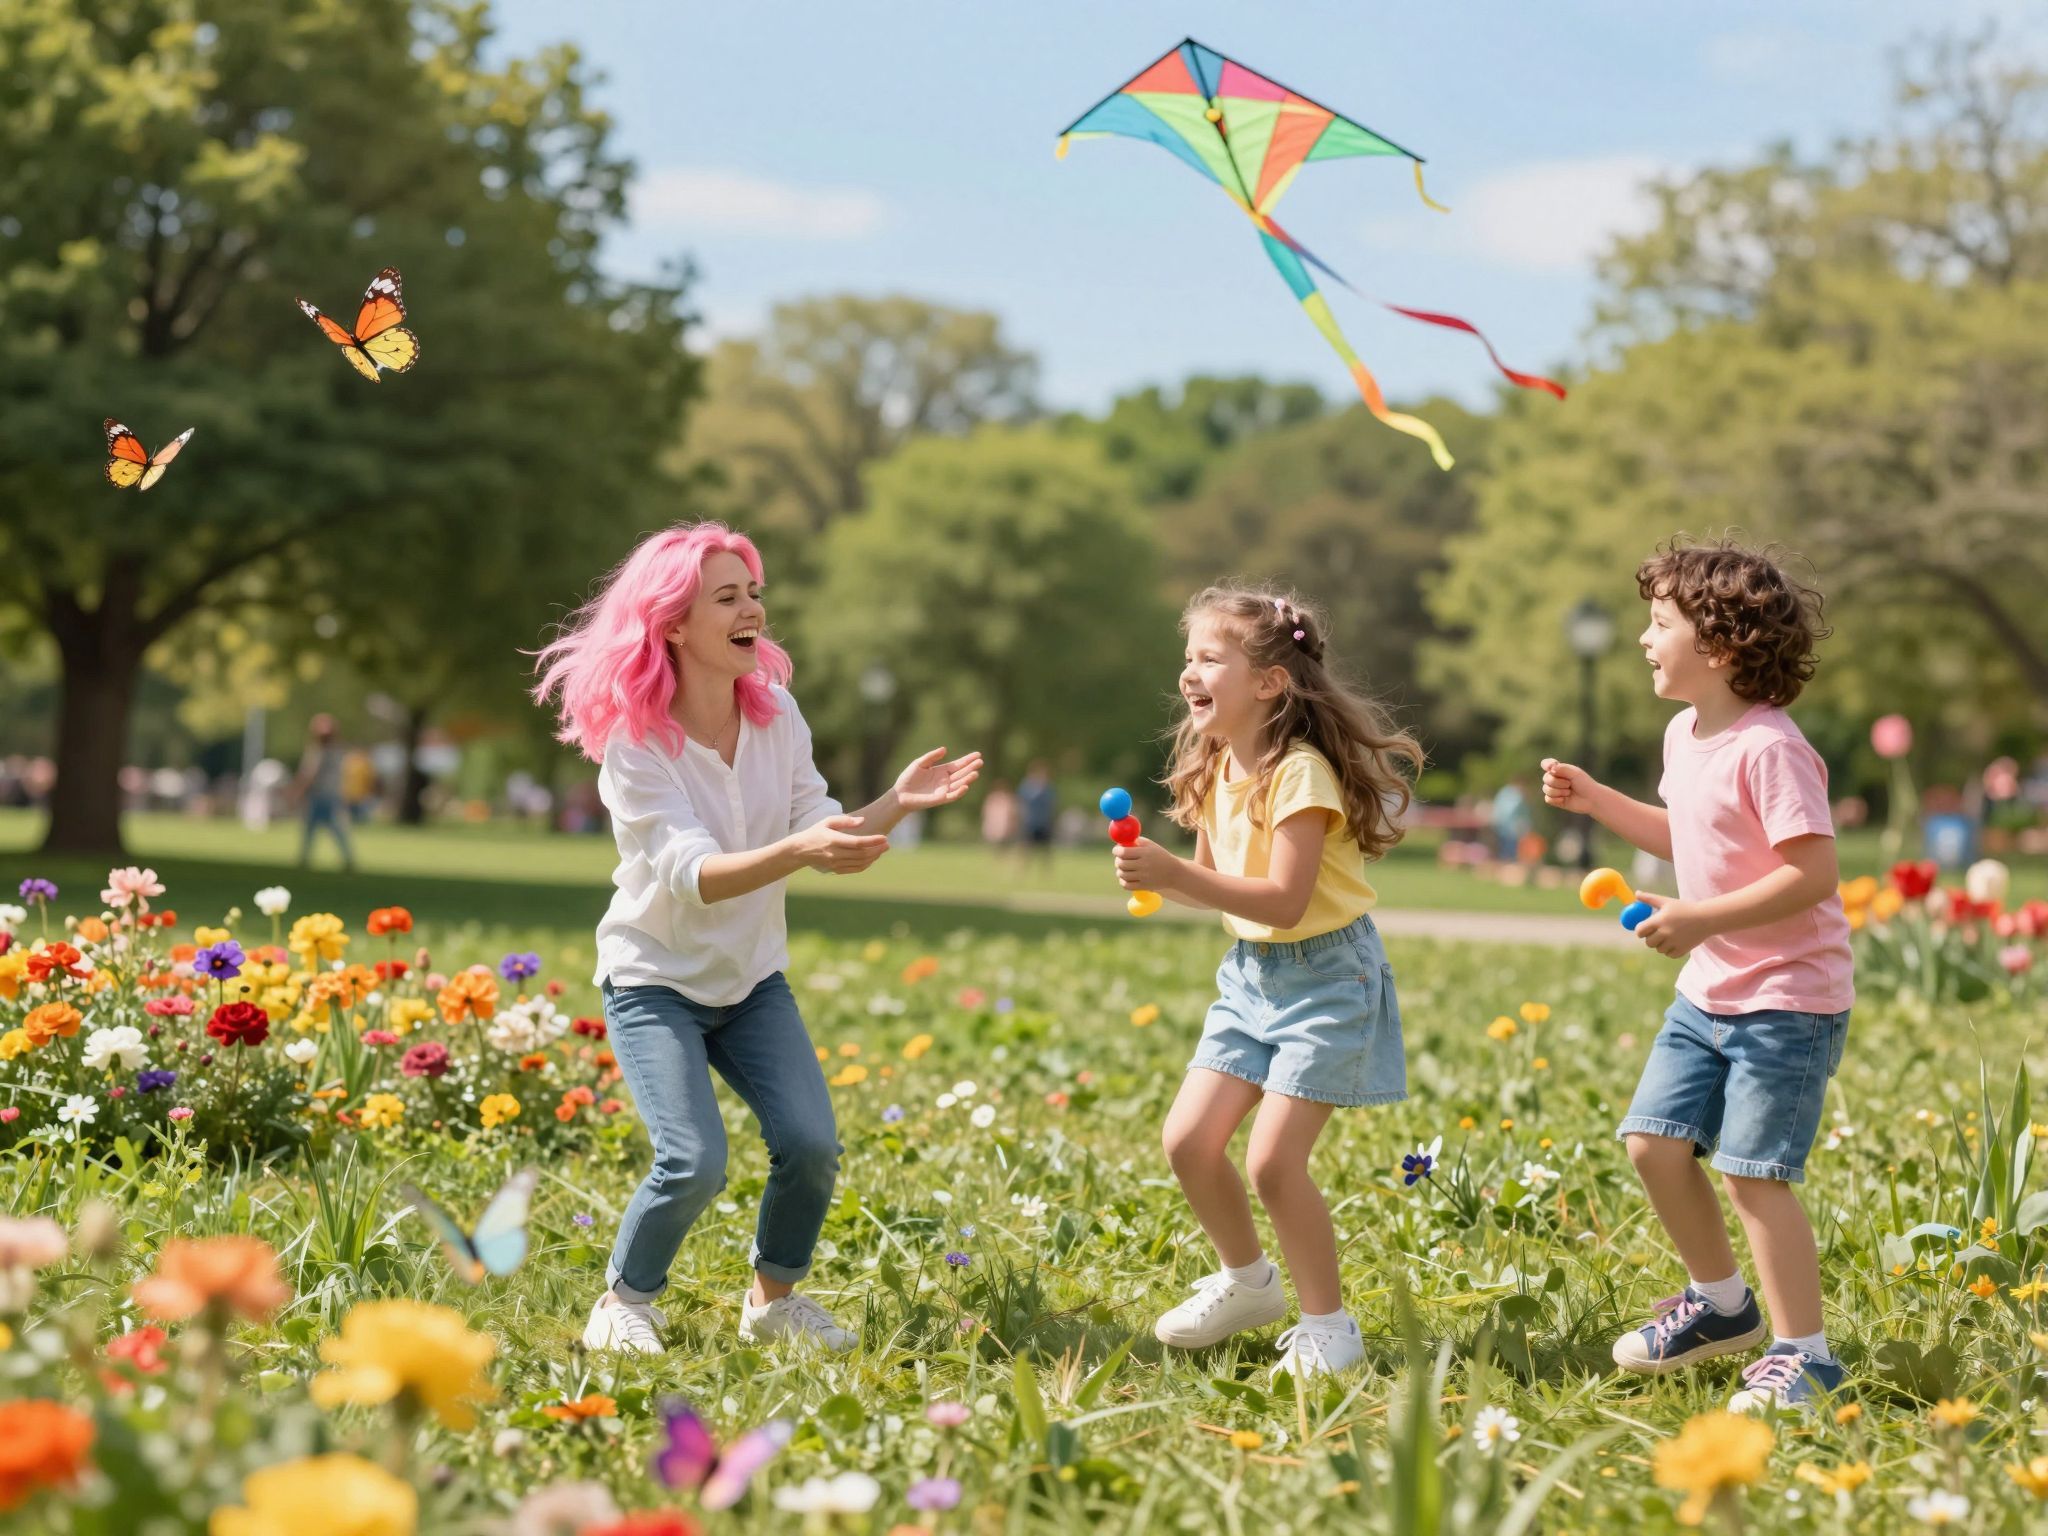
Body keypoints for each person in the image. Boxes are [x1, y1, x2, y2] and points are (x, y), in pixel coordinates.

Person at [532, 522, 980, 1356]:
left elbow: (823, 835)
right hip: (654, 980)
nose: (753, 611)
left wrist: (893, 805)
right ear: (672, 624)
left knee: (811, 1145)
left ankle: (773, 1302)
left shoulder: (776, 716)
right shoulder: (637, 744)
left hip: (749, 982)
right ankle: (625, 1302)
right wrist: (804, 848)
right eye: (728, 598)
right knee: (693, 1159)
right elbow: (692, 874)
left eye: (755, 594)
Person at [1542, 537, 1852, 1415]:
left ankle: (1807, 1356)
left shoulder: (1772, 748)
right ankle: (1722, 1307)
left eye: (1659, 623)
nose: (1645, 638)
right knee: (1653, 1144)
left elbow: (1813, 874)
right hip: (1709, 992)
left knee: (1754, 1173)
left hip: (1786, 999)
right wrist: (1599, 800)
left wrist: (1699, 918)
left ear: (1716, 648)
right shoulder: (1687, 733)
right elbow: (1689, 836)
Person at [1111, 586, 1418, 1381]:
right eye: (1188, 659)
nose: (1190, 673)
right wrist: (1158, 875)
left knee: (1274, 1165)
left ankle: (1330, 1325)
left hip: (1327, 977)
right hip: (1250, 977)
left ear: (1270, 682)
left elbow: (1283, 899)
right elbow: (1213, 880)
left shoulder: (1300, 774)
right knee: (1187, 1141)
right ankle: (1248, 1282)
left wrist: (1180, 874)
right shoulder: (1218, 763)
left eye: (1210, 658)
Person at [294, 715, 356, 871]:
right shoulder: (338, 750)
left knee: (316, 828)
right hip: (331, 794)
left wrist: (298, 790)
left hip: (321, 795)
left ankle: (305, 859)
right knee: (332, 829)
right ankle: (347, 859)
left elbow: (310, 773)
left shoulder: (321, 751)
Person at [1017, 761, 1057, 867]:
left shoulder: (1048, 788)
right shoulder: (1027, 786)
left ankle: (1046, 869)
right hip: (1030, 822)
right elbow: (1022, 802)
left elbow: (1052, 803)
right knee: (1026, 847)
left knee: (1046, 849)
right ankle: (1023, 868)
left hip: (1044, 822)